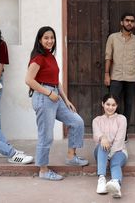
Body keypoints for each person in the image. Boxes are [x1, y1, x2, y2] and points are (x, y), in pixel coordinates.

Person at [25, 26, 88, 181]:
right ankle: (43, 170)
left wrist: (66, 100)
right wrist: (49, 93)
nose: (49, 41)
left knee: (77, 121)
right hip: (44, 97)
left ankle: (71, 156)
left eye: (52, 38)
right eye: (46, 38)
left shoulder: (50, 56)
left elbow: (56, 81)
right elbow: (29, 80)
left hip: (54, 95)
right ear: (40, 40)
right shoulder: (38, 57)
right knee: (46, 136)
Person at [104, 12, 135, 141]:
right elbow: (108, 57)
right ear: (121, 22)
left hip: (131, 78)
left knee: (129, 105)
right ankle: (111, 131)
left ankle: (123, 133)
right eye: (127, 20)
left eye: (132, 21)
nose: (129, 23)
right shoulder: (113, 38)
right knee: (112, 105)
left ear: (134, 24)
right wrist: (106, 74)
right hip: (115, 77)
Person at [93, 94, 128, 198]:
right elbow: (96, 136)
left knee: (115, 162)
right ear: (103, 104)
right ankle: (101, 180)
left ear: (117, 106)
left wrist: (110, 156)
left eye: (113, 105)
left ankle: (116, 185)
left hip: (119, 151)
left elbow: (119, 140)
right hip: (101, 152)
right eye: (108, 104)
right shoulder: (97, 120)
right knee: (103, 144)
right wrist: (103, 138)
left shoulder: (121, 119)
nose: (110, 107)